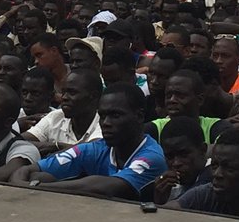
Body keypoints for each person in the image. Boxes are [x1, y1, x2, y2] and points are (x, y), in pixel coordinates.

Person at [11, 83, 165, 199]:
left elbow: (109, 187)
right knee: (42, 176)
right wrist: (26, 182)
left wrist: (39, 188)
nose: (106, 123)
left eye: (115, 115)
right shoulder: (96, 148)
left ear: (139, 117)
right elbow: (29, 171)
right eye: (103, 116)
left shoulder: (151, 157)